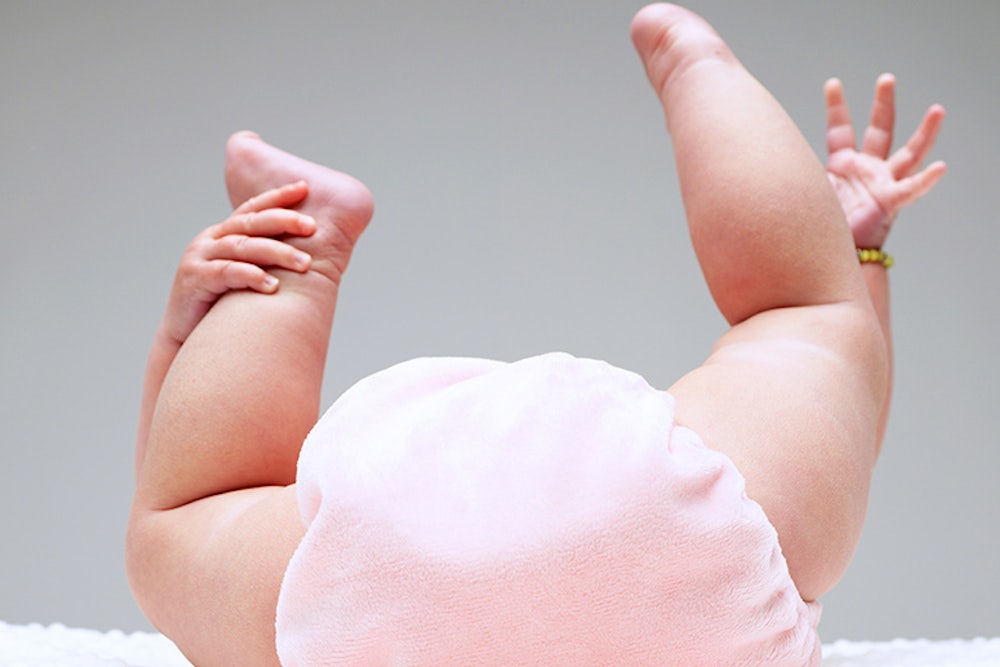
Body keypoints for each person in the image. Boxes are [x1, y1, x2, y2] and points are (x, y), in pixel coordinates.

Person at [126, 4, 945, 665]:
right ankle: (699, 68)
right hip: (660, 536)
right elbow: (849, 408)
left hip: (377, 582)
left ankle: (293, 245)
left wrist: (177, 335)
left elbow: (191, 499)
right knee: (804, 317)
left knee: (191, 513)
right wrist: (857, 265)